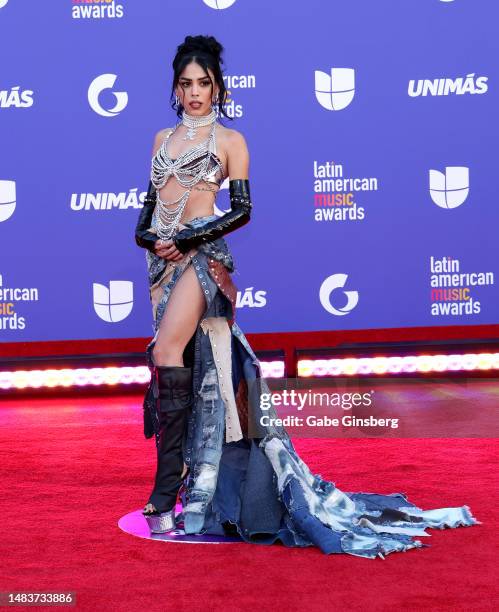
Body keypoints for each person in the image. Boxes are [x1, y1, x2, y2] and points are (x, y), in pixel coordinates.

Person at [134, 35, 480, 559]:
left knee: (165, 353)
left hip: (203, 257)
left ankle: (164, 494)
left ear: (219, 87)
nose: (194, 92)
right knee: (185, 367)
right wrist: (151, 239)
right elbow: (146, 208)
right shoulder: (161, 137)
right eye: (185, 84)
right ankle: (190, 489)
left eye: (204, 83)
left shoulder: (231, 141)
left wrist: (187, 239)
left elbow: (242, 210)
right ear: (175, 88)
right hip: (160, 262)